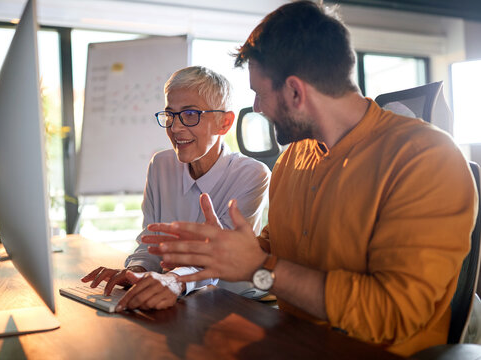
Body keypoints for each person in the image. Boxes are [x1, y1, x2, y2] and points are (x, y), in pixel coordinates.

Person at [141, 1, 477, 357]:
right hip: (291, 342)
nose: (256, 107)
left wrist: (257, 268)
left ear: (295, 92)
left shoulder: (425, 157)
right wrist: (228, 253)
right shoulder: (291, 161)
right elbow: (274, 251)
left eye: (259, 92)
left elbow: (392, 314)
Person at [81, 66, 271, 311]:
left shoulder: (251, 174)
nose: (175, 128)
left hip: (233, 305)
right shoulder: (161, 165)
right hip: (178, 301)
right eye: (170, 115)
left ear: (224, 123)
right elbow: (150, 244)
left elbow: (220, 261)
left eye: (190, 114)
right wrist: (135, 272)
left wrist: (174, 280)